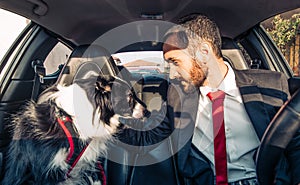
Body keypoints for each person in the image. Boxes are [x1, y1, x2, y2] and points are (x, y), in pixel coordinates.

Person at [116, 14, 300, 185]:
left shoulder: (272, 85)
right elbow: (148, 136)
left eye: (175, 62)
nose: (171, 74)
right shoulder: (176, 97)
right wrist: (102, 121)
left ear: (204, 51)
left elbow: (295, 144)